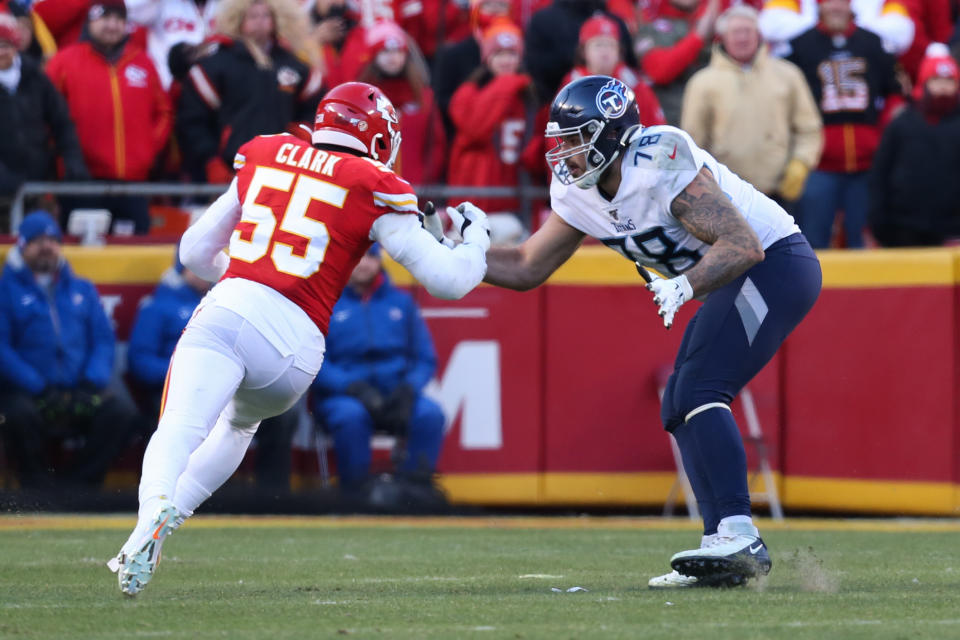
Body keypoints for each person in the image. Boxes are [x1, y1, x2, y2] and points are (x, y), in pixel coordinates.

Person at [435, 75, 822, 588]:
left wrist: (684, 285)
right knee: (679, 401)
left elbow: (744, 244)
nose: (564, 153)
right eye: (560, 141)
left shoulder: (661, 160)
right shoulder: (577, 191)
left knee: (702, 387)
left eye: (575, 139)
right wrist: (463, 255)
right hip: (730, 277)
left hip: (777, 265)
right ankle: (721, 549)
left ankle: (740, 534)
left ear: (612, 133)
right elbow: (529, 265)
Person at [108, 81, 491, 597]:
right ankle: (172, 518)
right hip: (295, 350)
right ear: (378, 137)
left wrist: (241, 278)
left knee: (179, 425)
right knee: (239, 426)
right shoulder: (372, 182)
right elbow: (450, 281)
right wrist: (478, 239)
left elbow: (194, 252)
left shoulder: (265, 152)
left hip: (233, 305)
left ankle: (149, 518)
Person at [126, 247, 300, 489]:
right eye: (200, 262)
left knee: (281, 415)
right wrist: (191, 374)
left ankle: (271, 498)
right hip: (184, 391)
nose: (205, 268)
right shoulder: (158, 306)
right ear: (183, 266)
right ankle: (190, 496)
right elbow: (140, 362)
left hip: (233, 388)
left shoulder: (233, 300)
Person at [0, 211, 140, 488]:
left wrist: (92, 381)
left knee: (122, 413)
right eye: (38, 240)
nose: (46, 246)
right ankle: (38, 491)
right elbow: (2, 348)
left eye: (53, 240)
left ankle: (78, 488)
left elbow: (103, 339)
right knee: (19, 415)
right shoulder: (6, 290)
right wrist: (37, 385)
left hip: (80, 388)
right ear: (22, 246)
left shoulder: (82, 289)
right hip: (30, 391)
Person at [311, 243, 445, 493]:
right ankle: (355, 491)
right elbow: (314, 363)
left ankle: (416, 490)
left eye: (370, 257)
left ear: (379, 261)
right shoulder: (326, 302)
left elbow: (425, 358)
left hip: (395, 392)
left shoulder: (402, 303)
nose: (363, 264)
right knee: (349, 417)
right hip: (345, 395)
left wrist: (408, 389)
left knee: (430, 414)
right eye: (356, 258)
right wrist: (350, 387)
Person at [45, 1, 172, 235]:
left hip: (133, 185)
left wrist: (147, 150)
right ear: (91, 22)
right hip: (82, 184)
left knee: (134, 260)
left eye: (119, 20)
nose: (112, 26)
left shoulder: (143, 62)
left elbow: (163, 111)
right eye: (105, 18)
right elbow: (45, 116)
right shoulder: (64, 62)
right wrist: (62, 155)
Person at [785, 0, 904, 248]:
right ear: (819, 7)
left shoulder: (873, 43)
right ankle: (815, 288)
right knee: (813, 240)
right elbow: (788, 101)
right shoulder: (800, 45)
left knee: (864, 240)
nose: (835, 7)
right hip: (819, 163)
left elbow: (895, 93)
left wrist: (881, 136)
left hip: (867, 164)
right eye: (829, 2)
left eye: (841, 1)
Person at [681, 5, 822, 206]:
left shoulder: (788, 75)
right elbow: (693, 143)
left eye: (748, 31)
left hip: (781, 194)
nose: (742, 38)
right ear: (723, 38)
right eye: (736, 32)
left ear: (759, 35)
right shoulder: (702, 83)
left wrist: (801, 162)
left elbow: (808, 128)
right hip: (726, 198)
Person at [176, 0, 323, 185]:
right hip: (232, 168)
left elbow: (314, 107)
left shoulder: (293, 65)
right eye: (253, 16)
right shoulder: (218, 64)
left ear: (276, 19)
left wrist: (301, 135)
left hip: (282, 168)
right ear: (238, 20)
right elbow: (193, 119)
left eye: (265, 15)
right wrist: (210, 159)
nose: (260, 21)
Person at [868, 44, 960, 246]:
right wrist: (879, 221)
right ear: (924, 84)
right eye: (936, 80)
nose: (943, 87)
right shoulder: (901, 124)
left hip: (953, 229)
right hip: (904, 228)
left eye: (949, 81)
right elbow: (880, 174)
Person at [447, 19, 536, 230]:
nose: (506, 60)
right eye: (499, 54)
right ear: (487, 58)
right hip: (473, 205)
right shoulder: (466, 94)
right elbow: (476, 129)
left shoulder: (528, 97)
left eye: (512, 54)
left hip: (515, 205)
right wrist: (508, 83)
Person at [0, 13, 89, 200]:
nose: (1, 52)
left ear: (15, 46)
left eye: (6, 46)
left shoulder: (35, 77)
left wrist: (72, 160)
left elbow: (61, 122)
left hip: (36, 184)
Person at [634, 0, 720, 125]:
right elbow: (659, 71)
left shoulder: (715, 22)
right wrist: (698, 37)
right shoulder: (651, 28)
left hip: (712, 123)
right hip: (672, 123)